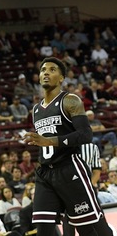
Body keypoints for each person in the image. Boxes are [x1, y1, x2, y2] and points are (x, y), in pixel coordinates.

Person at [23, 56, 113, 236]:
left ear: (62, 78)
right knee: (44, 228)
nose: (46, 73)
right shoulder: (36, 110)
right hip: (45, 173)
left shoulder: (70, 100)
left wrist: (51, 141)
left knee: (89, 228)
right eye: (43, 70)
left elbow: (86, 134)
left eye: (52, 70)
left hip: (69, 169)